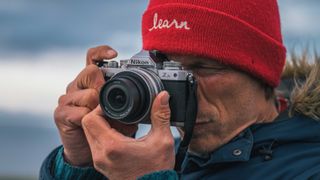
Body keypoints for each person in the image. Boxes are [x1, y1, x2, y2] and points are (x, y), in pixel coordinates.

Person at [40, 0, 320, 179]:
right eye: (167, 68)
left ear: (263, 75)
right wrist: (82, 167)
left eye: (205, 68)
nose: (183, 94)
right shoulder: (165, 159)